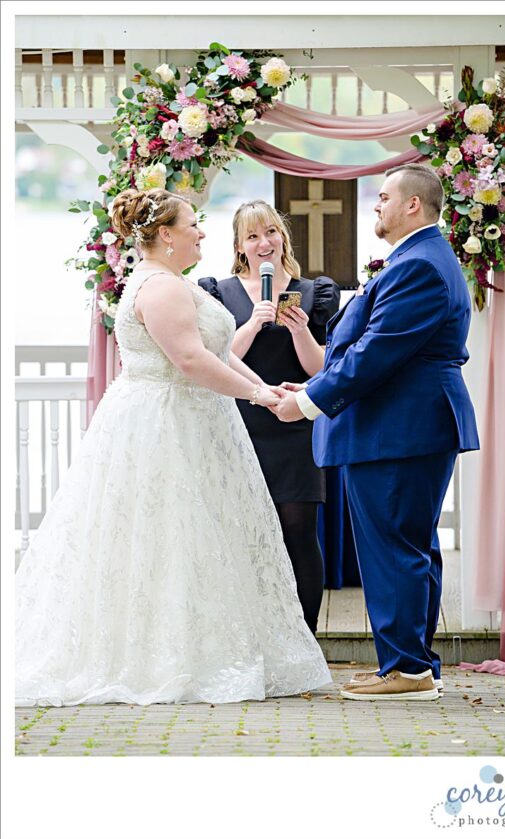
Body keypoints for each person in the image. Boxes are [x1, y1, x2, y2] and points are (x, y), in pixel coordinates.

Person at [15, 188, 332, 706]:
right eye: (193, 225)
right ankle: (159, 656)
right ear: (165, 234)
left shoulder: (176, 283)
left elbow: (217, 353)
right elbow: (188, 360)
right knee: (163, 531)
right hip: (162, 421)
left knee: (199, 536)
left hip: (195, 419)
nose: (202, 233)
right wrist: (256, 395)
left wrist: (267, 390)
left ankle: (199, 644)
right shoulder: (159, 287)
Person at [273, 163, 479, 701]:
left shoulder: (419, 265)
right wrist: (317, 380)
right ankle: (415, 663)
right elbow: (372, 351)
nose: (377, 206)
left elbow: (375, 353)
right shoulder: (420, 259)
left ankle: (406, 670)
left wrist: (308, 402)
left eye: (384, 197)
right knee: (410, 543)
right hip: (404, 423)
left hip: (400, 425)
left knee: (393, 546)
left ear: (413, 205)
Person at [199, 200, 340, 634]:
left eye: (271, 233)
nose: (265, 243)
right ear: (241, 246)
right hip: (239, 423)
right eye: (253, 236)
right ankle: (251, 634)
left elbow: (320, 370)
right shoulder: (217, 294)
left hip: (294, 423)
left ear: (283, 238)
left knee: (299, 531)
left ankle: (305, 635)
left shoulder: (314, 292)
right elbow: (213, 360)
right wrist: (252, 325)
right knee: (244, 535)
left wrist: (299, 329)